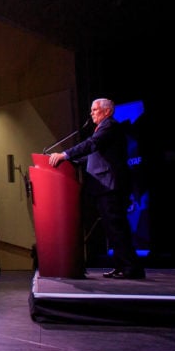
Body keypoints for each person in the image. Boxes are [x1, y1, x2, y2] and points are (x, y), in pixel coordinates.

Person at [49, 97, 141, 279]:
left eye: (95, 110)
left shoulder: (110, 126)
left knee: (117, 228)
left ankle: (131, 268)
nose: (91, 113)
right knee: (111, 229)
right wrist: (70, 161)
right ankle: (122, 266)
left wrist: (65, 154)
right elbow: (92, 156)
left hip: (110, 186)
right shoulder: (103, 128)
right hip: (103, 187)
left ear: (107, 111)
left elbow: (91, 145)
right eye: (91, 110)